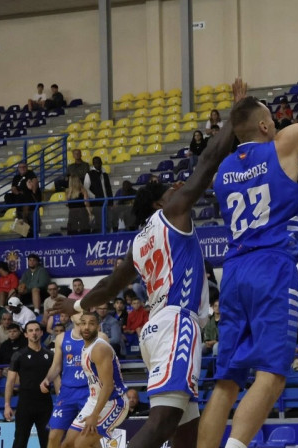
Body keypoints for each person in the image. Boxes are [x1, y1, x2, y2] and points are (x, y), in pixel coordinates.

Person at [53, 81, 241, 448]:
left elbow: (108, 287)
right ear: (159, 203)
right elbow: (207, 163)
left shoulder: (138, 244)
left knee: (185, 435)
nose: (176, 189)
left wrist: (76, 304)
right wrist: (234, 117)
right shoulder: (173, 213)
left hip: (155, 332)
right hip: (176, 323)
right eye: (168, 189)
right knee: (159, 427)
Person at [195, 18, 298, 448]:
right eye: (272, 119)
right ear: (265, 127)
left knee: (225, 381)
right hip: (272, 269)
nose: (278, 122)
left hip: (235, 271)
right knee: (272, 374)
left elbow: (266, 195)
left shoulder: (224, 170)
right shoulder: (280, 145)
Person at [62, 312, 128, 448]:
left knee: (81, 445)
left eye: (91, 323)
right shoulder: (85, 347)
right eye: (83, 323)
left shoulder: (99, 348)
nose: (86, 327)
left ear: (98, 327)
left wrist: (94, 415)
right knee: (67, 444)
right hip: (94, 401)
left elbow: (108, 386)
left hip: (114, 402)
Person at [40, 314, 97, 448]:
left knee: (91, 437)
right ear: (72, 318)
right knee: (53, 435)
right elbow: (56, 366)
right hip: (67, 392)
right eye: (76, 311)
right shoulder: (61, 338)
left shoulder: (98, 337)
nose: (80, 313)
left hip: (89, 391)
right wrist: (47, 379)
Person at [4, 321, 53, 448]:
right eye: (30, 331)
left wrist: (62, 402)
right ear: (25, 335)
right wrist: (7, 405)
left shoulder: (50, 355)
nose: (34, 333)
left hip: (45, 405)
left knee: (48, 442)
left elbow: (57, 380)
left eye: (37, 330)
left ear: (42, 333)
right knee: (20, 441)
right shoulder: (19, 355)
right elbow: (9, 382)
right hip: (25, 404)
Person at [83, 156, 113, 233]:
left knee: (108, 222)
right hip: (96, 203)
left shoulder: (105, 174)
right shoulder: (89, 174)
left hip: (107, 202)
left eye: (99, 162)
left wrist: (111, 202)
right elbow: (86, 189)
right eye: (96, 162)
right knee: (99, 223)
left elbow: (108, 188)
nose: (98, 164)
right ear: (93, 164)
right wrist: (94, 197)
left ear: (101, 163)